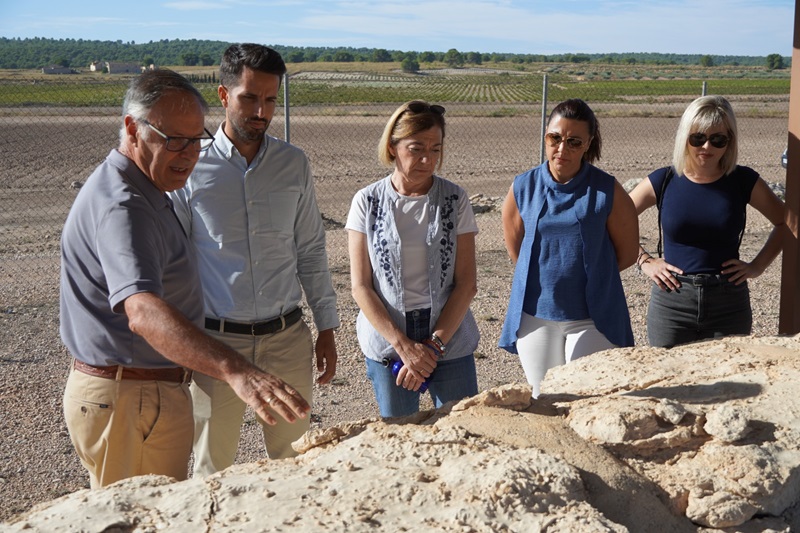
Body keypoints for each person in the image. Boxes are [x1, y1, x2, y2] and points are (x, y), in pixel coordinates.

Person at [59, 69, 310, 489]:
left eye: (196, 140)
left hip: (142, 394)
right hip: (131, 398)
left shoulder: (146, 189)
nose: (189, 154)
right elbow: (142, 311)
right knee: (139, 514)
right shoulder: (125, 207)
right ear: (132, 130)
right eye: (173, 139)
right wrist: (235, 369)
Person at [170, 44, 339, 476]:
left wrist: (327, 326)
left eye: (270, 99)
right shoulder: (191, 168)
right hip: (216, 347)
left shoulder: (293, 164)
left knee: (296, 461)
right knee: (212, 469)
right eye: (249, 98)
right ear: (223, 95)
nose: (261, 111)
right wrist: (181, 345)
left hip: (287, 341)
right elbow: (175, 262)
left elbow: (310, 248)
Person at [345, 100, 480, 418]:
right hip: (389, 343)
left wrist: (433, 347)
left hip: (448, 338)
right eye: (416, 148)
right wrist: (403, 346)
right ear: (392, 147)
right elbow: (361, 286)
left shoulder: (456, 199)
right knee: (399, 434)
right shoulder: (366, 201)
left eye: (435, 149)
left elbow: (467, 284)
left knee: (464, 430)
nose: (427, 159)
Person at [499, 98, 638, 398]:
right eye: (555, 138)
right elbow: (516, 250)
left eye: (574, 142)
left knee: (585, 398)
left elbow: (627, 253)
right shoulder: (523, 187)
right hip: (536, 316)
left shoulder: (607, 190)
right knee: (544, 400)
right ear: (546, 137)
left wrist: (593, 273)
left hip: (592, 318)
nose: (563, 148)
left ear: (588, 144)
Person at [629, 95, 786, 348]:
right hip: (672, 303)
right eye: (698, 138)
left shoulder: (743, 181)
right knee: (670, 372)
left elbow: (786, 223)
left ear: (730, 141)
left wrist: (758, 266)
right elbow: (612, 221)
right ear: (685, 137)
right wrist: (644, 261)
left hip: (729, 303)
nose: (706, 147)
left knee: (729, 373)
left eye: (718, 139)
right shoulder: (663, 180)